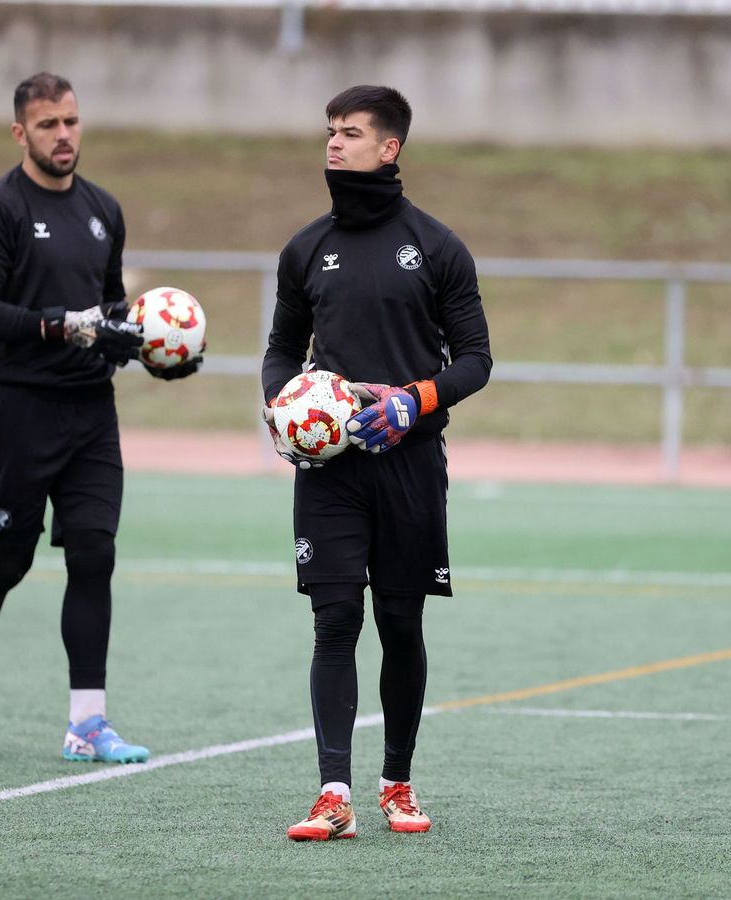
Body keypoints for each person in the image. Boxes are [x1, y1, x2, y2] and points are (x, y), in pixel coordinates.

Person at [0, 72, 198, 763]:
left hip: (91, 413)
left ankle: (87, 724)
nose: (64, 135)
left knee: (94, 555)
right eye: (48, 125)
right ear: (21, 133)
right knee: (7, 561)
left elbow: (108, 311)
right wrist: (62, 327)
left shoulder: (103, 209)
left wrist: (150, 350)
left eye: (71, 121)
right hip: (17, 406)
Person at [260, 85, 492, 841]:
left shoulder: (437, 246)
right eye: (329, 130)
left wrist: (413, 401)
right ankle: (333, 793)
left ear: (389, 147)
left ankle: (397, 782)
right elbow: (280, 351)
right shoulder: (304, 248)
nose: (334, 143)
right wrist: (281, 408)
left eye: (350, 133)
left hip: (411, 465)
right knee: (335, 620)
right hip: (329, 471)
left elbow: (478, 361)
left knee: (399, 619)